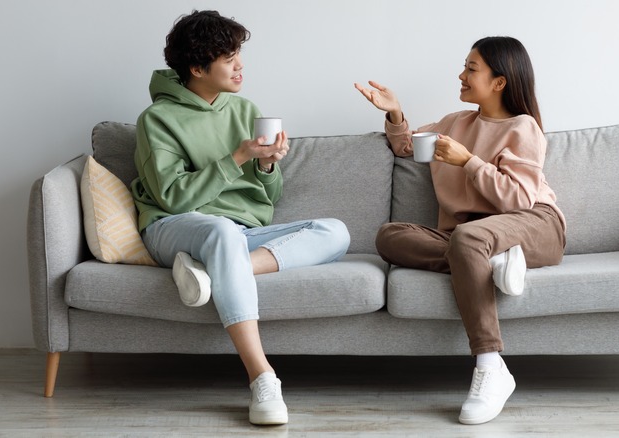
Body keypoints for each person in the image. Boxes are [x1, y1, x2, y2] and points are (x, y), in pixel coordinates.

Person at [131, 10, 350, 426]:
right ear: (197, 68)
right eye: (229, 58)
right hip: (174, 228)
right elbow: (173, 197)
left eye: (239, 55)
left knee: (335, 232)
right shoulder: (156, 120)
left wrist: (267, 167)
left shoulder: (244, 108)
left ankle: (217, 272)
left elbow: (268, 201)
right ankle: (262, 376)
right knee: (218, 231)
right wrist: (238, 157)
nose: (240, 65)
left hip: (237, 233)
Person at [355, 36, 566, 425]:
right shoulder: (455, 123)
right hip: (476, 235)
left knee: (470, 239)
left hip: (533, 223)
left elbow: (518, 198)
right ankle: (488, 260)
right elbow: (407, 148)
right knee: (389, 236)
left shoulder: (524, 127)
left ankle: (490, 366)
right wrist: (396, 113)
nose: (461, 75)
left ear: (499, 82)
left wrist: (468, 161)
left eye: (472, 68)